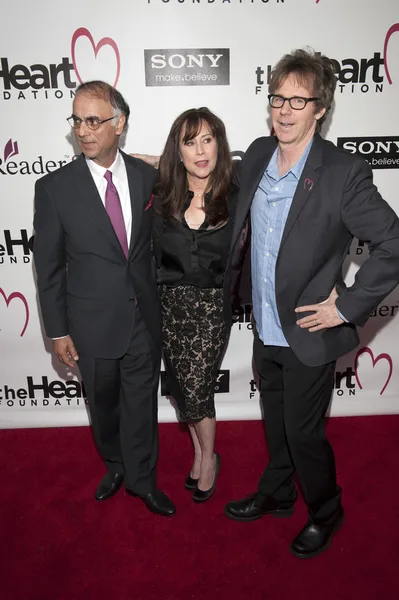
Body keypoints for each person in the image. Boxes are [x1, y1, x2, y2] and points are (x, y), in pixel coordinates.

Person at [224, 49, 399, 558]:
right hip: (263, 328)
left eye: (297, 100)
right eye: (277, 97)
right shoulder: (258, 153)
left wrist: (345, 307)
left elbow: (394, 242)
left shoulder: (343, 172)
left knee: (304, 435)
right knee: (275, 425)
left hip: (309, 334)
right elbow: (217, 182)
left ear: (320, 107)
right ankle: (278, 493)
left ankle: (326, 511)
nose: (284, 109)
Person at [33, 80, 175, 517]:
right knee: (104, 404)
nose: (83, 130)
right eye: (77, 120)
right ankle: (114, 463)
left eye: (94, 120)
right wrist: (58, 332)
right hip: (90, 323)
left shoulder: (149, 177)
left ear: (120, 124)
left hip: (143, 319)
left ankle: (143, 479)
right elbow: (49, 267)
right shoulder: (54, 188)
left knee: (142, 402)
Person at [143, 107, 238, 502]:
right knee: (184, 389)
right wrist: (154, 160)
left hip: (213, 307)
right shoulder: (164, 193)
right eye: (189, 142)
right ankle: (199, 453)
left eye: (207, 139)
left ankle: (210, 457)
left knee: (198, 391)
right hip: (170, 305)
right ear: (176, 151)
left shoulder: (238, 190)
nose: (200, 151)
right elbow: (134, 162)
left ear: (220, 143)